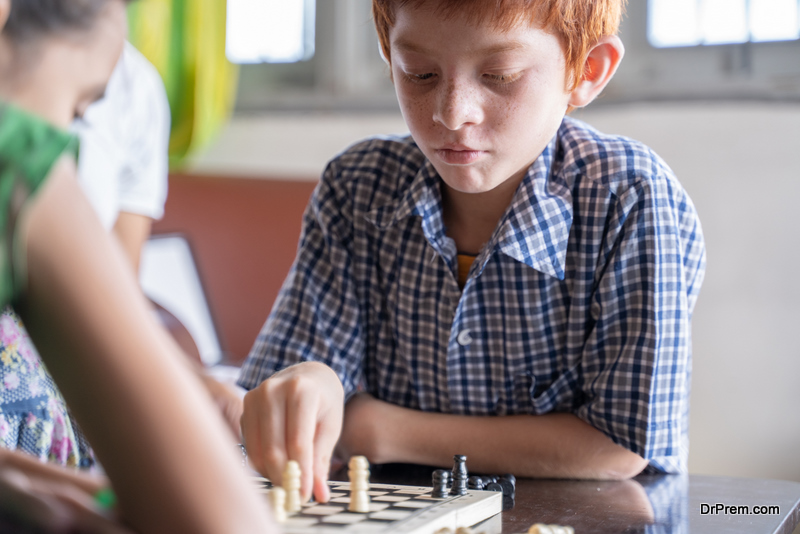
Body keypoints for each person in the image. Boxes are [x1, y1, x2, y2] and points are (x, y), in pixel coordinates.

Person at [238, 0, 706, 504]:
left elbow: (618, 446)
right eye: (419, 74)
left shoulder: (627, 195)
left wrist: (377, 429)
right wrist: (312, 380)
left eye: (500, 75)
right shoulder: (358, 188)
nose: (452, 112)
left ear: (586, 71)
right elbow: (288, 386)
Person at [0, 0, 276, 532]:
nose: (70, 138)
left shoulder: (134, 93)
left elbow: (111, 308)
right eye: (81, 107)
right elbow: (225, 521)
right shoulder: (20, 161)